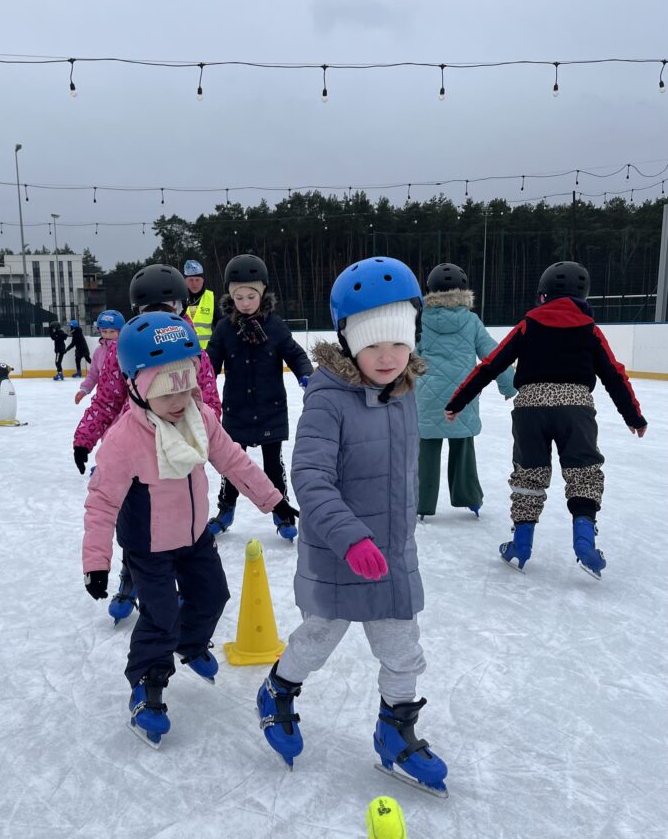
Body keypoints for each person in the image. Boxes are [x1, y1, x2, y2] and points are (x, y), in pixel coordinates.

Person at [254, 256, 448, 797]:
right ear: (346, 341)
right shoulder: (327, 400)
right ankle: (278, 690)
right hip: (341, 552)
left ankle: (395, 732)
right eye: (372, 344)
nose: (387, 357)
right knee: (317, 638)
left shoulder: (405, 393)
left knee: (403, 649)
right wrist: (351, 537)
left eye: (398, 341)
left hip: (393, 553)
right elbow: (310, 478)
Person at [82, 312, 297, 748]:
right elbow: (102, 503)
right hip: (149, 545)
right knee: (160, 616)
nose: (180, 399)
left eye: (186, 385)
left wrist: (273, 500)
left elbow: (233, 460)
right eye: (167, 391)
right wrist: (97, 564)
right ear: (137, 388)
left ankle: (192, 643)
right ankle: (147, 685)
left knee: (214, 595)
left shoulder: (198, 418)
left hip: (196, 536)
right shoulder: (124, 439)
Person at [445, 260, 647, 577]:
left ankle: (521, 546)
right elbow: (614, 374)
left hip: (530, 410)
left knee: (529, 475)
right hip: (576, 409)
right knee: (584, 473)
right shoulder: (591, 331)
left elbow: (491, 365)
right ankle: (584, 544)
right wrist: (633, 416)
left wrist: (458, 401)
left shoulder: (527, 325)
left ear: (543, 296)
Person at [73, 264, 222, 624]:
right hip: (135, 451)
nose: (158, 317)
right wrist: (84, 439)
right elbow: (107, 399)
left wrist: (207, 436)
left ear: (180, 307)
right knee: (136, 521)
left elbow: (208, 400)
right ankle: (131, 576)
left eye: (167, 307)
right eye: (149, 310)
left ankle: (186, 589)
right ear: (137, 312)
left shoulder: (190, 350)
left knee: (178, 521)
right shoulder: (128, 347)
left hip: (177, 450)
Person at [205, 254, 312, 541]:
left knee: (272, 466)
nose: (245, 302)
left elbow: (295, 353)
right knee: (232, 466)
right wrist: (200, 387)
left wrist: (306, 375)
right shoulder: (225, 329)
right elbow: (210, 362)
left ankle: (283, 512)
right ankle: (225, 510)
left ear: (262, 293)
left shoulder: (274, 326)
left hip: (270, 409)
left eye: (251, 296)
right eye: (238, 297)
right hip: (236, 410)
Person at [416, 263, 515, 519]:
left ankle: (420, 503)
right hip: (463, 396)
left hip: (426, 397)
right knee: (462, 446)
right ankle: (470, 499)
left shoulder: (420, 319)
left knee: (426, 450)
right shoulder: (471, 320)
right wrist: (508, 382)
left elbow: (408, 356)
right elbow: (494, 354)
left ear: (430, 289)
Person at [74, 309, 125, 405]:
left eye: (112, 331)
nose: (108, 335)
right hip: (105, 398)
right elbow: (93, 374)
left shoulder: (123, 349)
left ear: (120, 331)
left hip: (124, 398)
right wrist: (84, 389)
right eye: (104, 331)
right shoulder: (99, 351)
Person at [183, 259, 216, 344]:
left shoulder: (211, 298)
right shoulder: (180, 300)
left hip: (208, 352)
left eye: (197, 280)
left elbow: (221, 327)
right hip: (187, 353)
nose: (194, 284)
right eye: (191, 280)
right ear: (185, 281)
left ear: (203, 280)